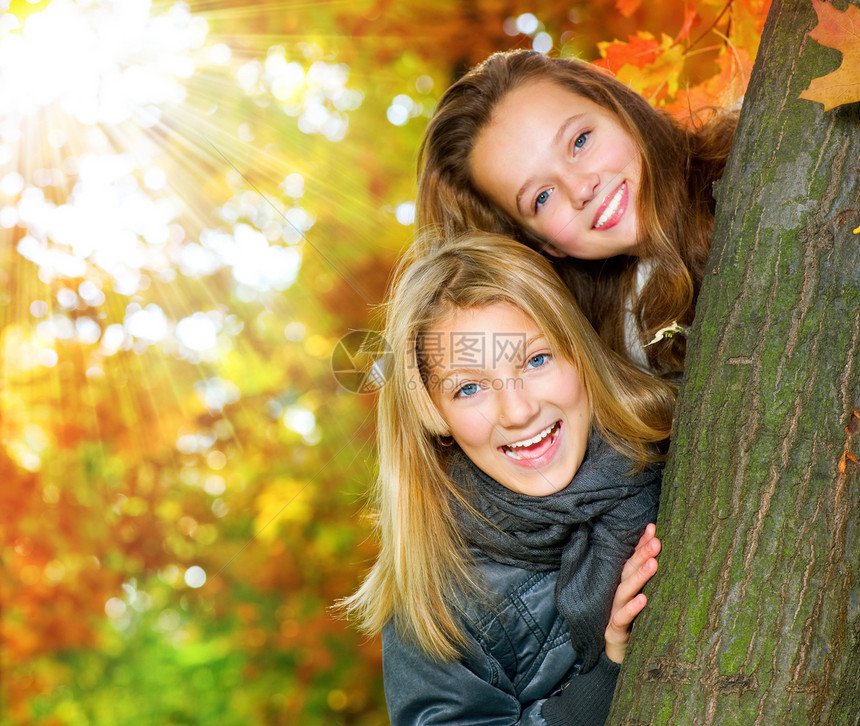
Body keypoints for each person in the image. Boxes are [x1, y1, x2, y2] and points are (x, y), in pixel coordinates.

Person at [340, 232, 676, 724]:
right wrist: (611, 672)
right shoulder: (439, 593)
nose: (517, 410)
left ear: (578, 355)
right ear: (435, 416)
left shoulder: (673, 445)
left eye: (536, 360)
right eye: (470, 387)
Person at [415, 49, 737, 375]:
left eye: (580, 141)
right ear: (544, 244)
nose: (581, 188)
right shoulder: (617, 355)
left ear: (617, 109)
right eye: (542, 197)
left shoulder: (751, 161)